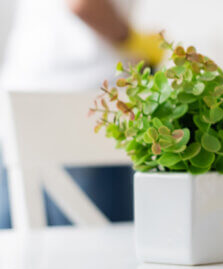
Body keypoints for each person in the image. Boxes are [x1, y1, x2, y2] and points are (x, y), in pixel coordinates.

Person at [0, 0, 163, 227]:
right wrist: (130, 38)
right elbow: (83, 4)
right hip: (78, 94)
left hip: (32, 94)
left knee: (25, 246)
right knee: (103, 250)